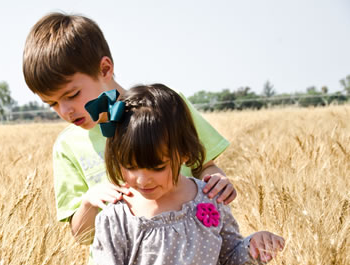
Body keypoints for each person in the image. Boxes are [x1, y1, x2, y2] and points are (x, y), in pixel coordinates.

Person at [86, 84, 285, 265]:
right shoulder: (117, 217)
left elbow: (229, 261)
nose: (142, 180)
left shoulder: (208, 200)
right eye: (130, 166)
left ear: (182, 151)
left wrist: (254, 248)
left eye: (156, 166)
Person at [23, 12, 236, 242]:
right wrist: (89, 202)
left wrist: (217, 181)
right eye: (52, 103)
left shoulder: (169, 107)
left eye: (72, 95)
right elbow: (81, 236)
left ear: (105, 69)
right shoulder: (68, 146)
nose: (65, 111)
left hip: (187, 262)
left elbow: (204, 165)